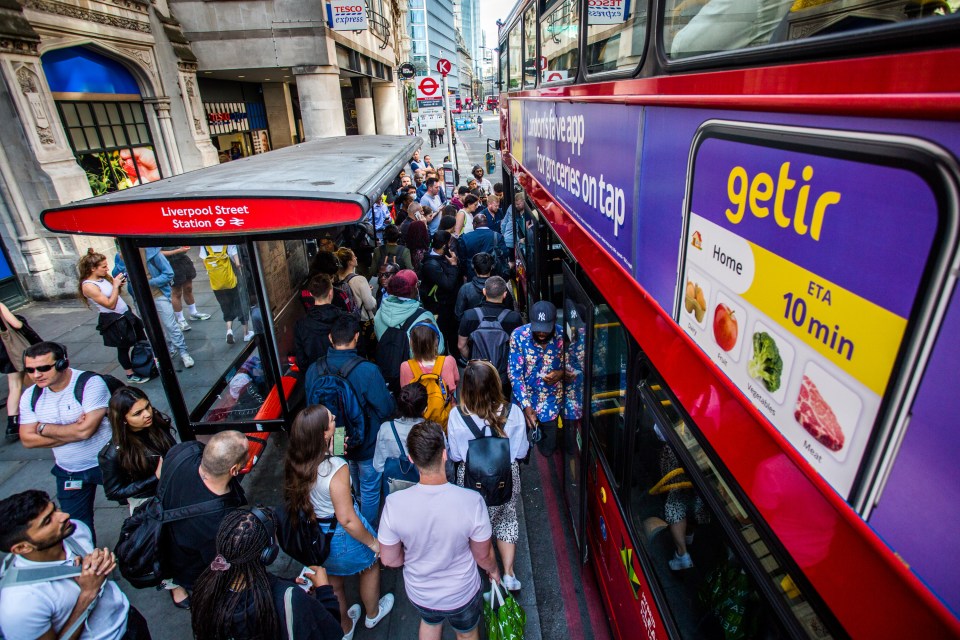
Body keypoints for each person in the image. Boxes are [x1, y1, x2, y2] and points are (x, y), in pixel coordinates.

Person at [379, 421, 500, 640]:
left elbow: (389, 559)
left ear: (411, 459)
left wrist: (413, 555)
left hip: (421, 592)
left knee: (430, 623)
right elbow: (483, 555)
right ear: (445, 454)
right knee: (467, 634)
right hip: (462, 592)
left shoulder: (394, 504)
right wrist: (493, 570)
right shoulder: (471, 501)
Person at [283, 405, 394, 639]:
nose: (336, 419)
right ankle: (373, 614)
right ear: (324, 434)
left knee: (333, 582)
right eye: (332, 420)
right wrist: (373, 543)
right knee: (370, 566)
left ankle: (344, 626)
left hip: (317, 533)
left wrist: (332, 450)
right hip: (341, 534)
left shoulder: (296, 462)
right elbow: (347, 519)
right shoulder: (336, 468)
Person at [0, 490, 150, 640]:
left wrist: (102, 564)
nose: (64, 516)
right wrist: (88, 593)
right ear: (22, 548)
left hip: (129, 619)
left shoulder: (76, 531)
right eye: (47, 521)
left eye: (54, 509)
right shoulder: (18, 605)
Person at [189, 508, 343, 640]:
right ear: (267, 555)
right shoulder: (291, 600)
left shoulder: (204, 588)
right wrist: (324, 590)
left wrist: (285, 583)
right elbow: (332, 632)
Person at [446, 361, 528, 591]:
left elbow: (455, 454)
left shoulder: (456, 417)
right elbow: (521, 452)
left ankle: (493, 576)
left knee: (478, 527)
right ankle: (510, 573)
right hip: (506, 476)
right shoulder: (514, 413)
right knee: (506, 520)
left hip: (472, 479)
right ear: (496, 384)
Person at [18, 342, 112, 540]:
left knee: (138, 506)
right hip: (69, 470)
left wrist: (44, 428)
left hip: (107, 463)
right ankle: (88, 564)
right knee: (76, 526)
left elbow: (85, 431)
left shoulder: (89, 383)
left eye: (43, 368)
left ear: (62, 364)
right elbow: (27, 439)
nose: (36, 375)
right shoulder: (30, 395)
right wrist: (73, 432)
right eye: (30, 370)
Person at [161, 430, 249, 608]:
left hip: (167, 541)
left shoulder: (182, 451)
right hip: (192, 567)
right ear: (234, 470)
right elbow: (220, 566)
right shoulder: (220, 522)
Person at [324, 316, 396, 526]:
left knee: (348, 474)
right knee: (370, 487)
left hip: (335, 438)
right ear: (356, 337)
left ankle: (354, 507)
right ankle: (367, 528)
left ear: (330, 338)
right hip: (365, 440)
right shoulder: (368, 370)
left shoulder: (315, 370)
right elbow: (385, 408)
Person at [99, 387, 175, 513]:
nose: (147, 414)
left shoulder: (156, 423)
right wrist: (155, 477)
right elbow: (114, 492)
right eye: (137, 413)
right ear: (123, 419)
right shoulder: (112, 454)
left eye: (147, 406)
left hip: (174, 488)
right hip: (149, 503)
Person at [78, 249, 148, 383]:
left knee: (141, 339)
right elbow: (110, 304)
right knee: (123, 348)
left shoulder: (102, 278)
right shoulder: (88, 286)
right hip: (114, 319)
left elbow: (114, 295)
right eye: (103, 267)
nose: (107, 269)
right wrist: (115, 286)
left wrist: (117, 285)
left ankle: (146, 362)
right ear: (93, 268)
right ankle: (130, 374)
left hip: (125, 314)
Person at [509, 301, 569, 457]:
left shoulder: (565, 337)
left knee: (547, 449)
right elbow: (515, 374)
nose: (541, 333)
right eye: (538, 329)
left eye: (546, 329)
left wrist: (561, 373)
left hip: (551, 402)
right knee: (516, 449)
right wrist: (526, 406)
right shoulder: (518, 336)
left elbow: (578, 365)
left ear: (555, 322)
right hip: (524, 401)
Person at [457, 276, 522, 394]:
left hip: (477, 374)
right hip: (502, 376)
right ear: (504, 294)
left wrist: (471, 358)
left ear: (484, 291)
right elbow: (518, 348)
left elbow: (461, 345)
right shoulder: (514, 318)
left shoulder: (469, 316)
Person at [374, 269, 445, 358]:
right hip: (413, 369)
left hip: (388, 364)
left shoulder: (379, 313)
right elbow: (439, 349)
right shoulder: (424, 317)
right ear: (415, 287)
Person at [144, 248, 195, 369]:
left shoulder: (153, 254)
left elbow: (168, 273)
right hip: (141, 298)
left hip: (159, 295)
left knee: (170, 325)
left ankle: (183, 352)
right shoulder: (121, 257)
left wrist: (149, 282)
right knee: (151, 328)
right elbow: (119, 274)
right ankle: (168, 349)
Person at [0, 302, 40, 441]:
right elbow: (16, 324)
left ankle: (12, 425)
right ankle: (15, 421)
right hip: (10, 348)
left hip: (2, 354)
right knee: (17, 385)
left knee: (16, 383)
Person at [200, 245, 252, 344]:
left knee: (226, 306)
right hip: (233, 281)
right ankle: (246, 333)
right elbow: (237, 263)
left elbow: (205, 264)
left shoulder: (205, 246)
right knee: (241, 304)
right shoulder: (228, 244)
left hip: (217, 283)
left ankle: (229, 330)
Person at [372, 383, 428, 475]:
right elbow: (445, 467)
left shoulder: (386, 429)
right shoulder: (434, 431)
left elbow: (378, 466)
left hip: (396, 486)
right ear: (425, 408)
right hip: (426, 485)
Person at [419, 231, 460, 352]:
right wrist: (453, 265)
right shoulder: (431, 264)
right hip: (439, 305)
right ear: (444, 245)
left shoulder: (445, 255)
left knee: (452, 331)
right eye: (449, 243)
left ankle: (454, 354)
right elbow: (448, 284)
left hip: (447, 302)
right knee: (443, 332)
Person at [295, 275, 345, 373]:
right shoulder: (345, 319)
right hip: (344, 375)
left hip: (316, 378)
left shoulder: (300, 324)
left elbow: (301, 361)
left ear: (310, 294)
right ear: (331, 292)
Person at [161, 246, 211, 333]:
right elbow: (159, 253)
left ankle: (193, 312)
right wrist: (178, 250)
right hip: (170, 263)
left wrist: (183, 249)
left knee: (188, 288)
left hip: (183, 260)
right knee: (177, 292)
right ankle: (180, 320)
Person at [399, 325, 460, 395]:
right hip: (446, 405)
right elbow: (456, 382)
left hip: (420, 406)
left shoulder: (406, 367)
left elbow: (405, 393)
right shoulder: (448, 361)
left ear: (411, 344)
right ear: (436, 342)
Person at [454, 254, 515, 322]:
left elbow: (459, 315)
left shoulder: (465, 289)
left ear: (473, 268)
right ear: (492, 267)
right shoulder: (500, 286)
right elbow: (510, 309)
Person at [456, 213, 508, 280]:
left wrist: (465, 273)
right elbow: (505, 253)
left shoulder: (465, 237)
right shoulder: (498, 236)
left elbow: (462, 259)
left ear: (474, 224)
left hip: (472, 274)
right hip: (493, 274)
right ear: (486, 223)